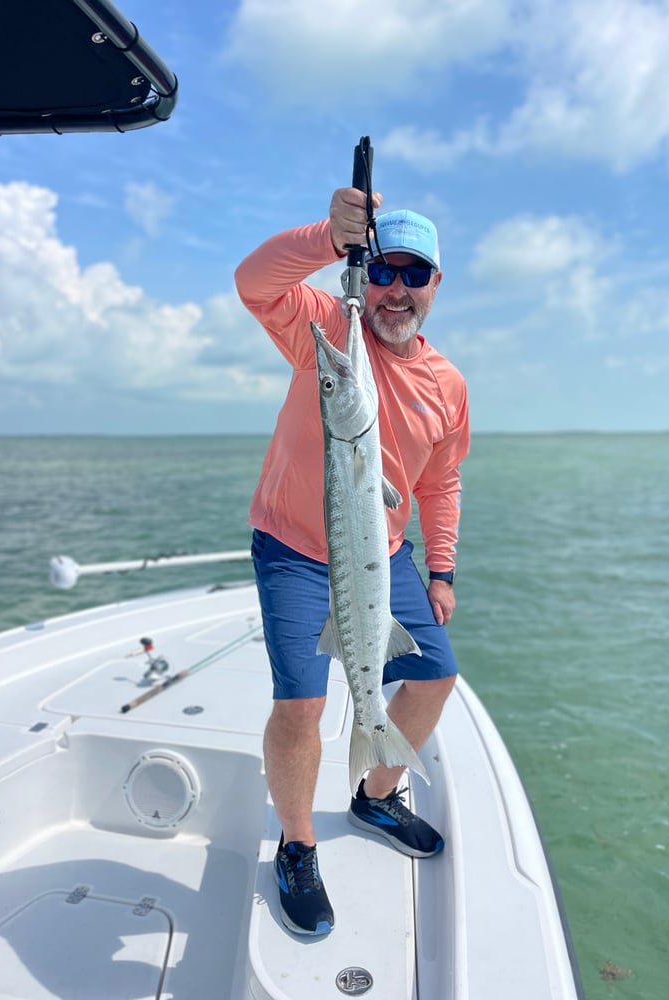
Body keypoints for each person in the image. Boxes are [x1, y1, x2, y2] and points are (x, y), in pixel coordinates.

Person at [234, 186, 470, 937]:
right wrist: (327, 240)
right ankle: (298, 847)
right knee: (301, 702)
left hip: (386, 553)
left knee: (434, 674)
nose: (395, 290)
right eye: (382, 272)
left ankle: (374, 793)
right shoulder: (329, 333)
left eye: (413, 275)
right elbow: (255, 281)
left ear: (434, 285)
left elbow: (441, 480)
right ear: (364, 276)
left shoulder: (448, 385)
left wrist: (441, 569)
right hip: (296, 551)